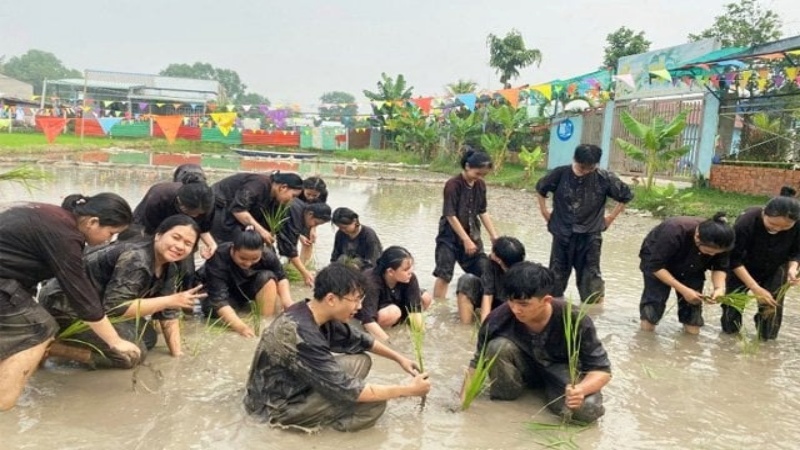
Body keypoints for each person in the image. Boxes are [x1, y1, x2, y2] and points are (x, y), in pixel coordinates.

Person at [243, 263, 431, 432]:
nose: (359, 307)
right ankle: (330, 433)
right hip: (274, 408)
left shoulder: (312, 311)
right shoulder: (302, 335)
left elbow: (362, 340)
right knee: (374, 405)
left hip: (291, 386)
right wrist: (408, 390)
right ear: (331, 299)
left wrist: (400, 358)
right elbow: (351, 390)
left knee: (361, 360)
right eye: (355, 300)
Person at [0, 193, 140, 410]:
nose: (109, 240)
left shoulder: (55, 217)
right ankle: (3, 404)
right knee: (41, 329)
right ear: (93, 222)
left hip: (8, 281)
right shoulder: (65, 236)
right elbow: (81, 296)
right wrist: (115, 342)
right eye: (111, 233)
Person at [40, 215, 206, 368]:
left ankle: (73, 341)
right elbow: (115, 307)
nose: (179, 246)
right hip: (64, 304)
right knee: (132, 356)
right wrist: (170, 300)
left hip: (97, 307)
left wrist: (177, 355)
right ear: (158, 235)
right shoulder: (137, 257)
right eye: (176, 238)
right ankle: (54, 348)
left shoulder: (170, 268)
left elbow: (168, 314)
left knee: (148, 336)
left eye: (187, 244)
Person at [462, 262, 610, 423]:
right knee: (497, 347)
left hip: (561, 370)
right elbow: (476, 365)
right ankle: (506, 399)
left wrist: (580, 390)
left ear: (546, 300)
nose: (515, 309)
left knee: (587, 410)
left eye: (524, 304)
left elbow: (601, 370)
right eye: (511, 302)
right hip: (523, 368)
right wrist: (462, 402)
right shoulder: (496, 319)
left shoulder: (575, 319)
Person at [535, 144, 633, 303]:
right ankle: (555, 311)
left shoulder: (604, 178)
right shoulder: (560, 174)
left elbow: (626, 195)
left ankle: (592, 314)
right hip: (562, 234)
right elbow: (540, 189)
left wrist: (610, 218)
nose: (586, 171)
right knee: (556, 278)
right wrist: (544, 211)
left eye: (590, 167)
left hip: (590, 236)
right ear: (575, 160)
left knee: (591, 279)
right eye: (582, 167)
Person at [639, 213, 735, 334]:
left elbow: (720, 266)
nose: (712, 255)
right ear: (697, 237)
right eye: (708, 251)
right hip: (658, 263)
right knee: (654, 303)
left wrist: (719, 288)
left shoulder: (723, 241)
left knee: (693, 307)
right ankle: (646, 339)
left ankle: (691, 345)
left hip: (694, 266)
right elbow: (656, 267)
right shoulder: (674, 231)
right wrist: (684, 290)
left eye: (716, 253)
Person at [722, 196, 800, 340]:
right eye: (772, 224)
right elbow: (733, 259)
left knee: (771, 308)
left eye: (785, 227)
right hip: (742, 267)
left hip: (775, 266)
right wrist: (755, 288)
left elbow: (796, 251)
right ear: (764, 212)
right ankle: (728, 340)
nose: (777, 229)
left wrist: (792, 268)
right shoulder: (746, 222)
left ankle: (766, 341)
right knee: (733, 306)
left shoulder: (797, 224)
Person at [198, 227, 293, 337]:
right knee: (210, 310)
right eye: (243, 258)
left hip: (248, 287)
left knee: (268, 277)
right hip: (226, 293)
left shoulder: (267, 255)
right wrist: (241, 327)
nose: (248, 263)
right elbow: (219, 300)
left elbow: (281, 277)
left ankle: (266, 321)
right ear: (233, 249)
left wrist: (287, 301)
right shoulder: (218, 257)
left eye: (254, 259)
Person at [130, 171, 217, 289]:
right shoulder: (159, 195)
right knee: (148, 266)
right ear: (179, 200)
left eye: (198, 214)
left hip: (183, 235)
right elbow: (144, 229)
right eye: (189, 213)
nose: (194, 216)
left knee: (187, 273)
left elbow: (202, 228)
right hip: (149, 231)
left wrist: (211, 244)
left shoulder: (207, 204)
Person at [432, 148, 499, 300]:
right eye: (477, 173)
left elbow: (482, 211)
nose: (479, 178)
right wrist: (466, 240)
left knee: (485, 270)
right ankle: (438, 307)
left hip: (472, 234)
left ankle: (480, 303)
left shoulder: (480, 185)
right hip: (448, 238)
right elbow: (450, 215)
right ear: (468, 166)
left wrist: (494, 236)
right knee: (444, 274)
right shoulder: (453, 185)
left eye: (483, 175)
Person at [356, 246, 433, 342]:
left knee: (426, 298)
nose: (410, 272)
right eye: (405, 270)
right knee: (393, 312)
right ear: (390, 272)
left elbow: (415, 310)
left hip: (396, 302)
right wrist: (389, 344)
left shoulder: (410, 278)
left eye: (411, 267)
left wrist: (422, 337)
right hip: (376, 311)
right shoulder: (371, 282)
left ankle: (402, 325)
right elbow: (367, 320)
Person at [210, 171, 303, 245]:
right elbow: (238, 210)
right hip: (218, 205)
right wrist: (262, 231)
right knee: (228, 244)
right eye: (293, 196)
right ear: (283, 187)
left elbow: (266, 225)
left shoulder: (275, 201)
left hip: (232, 212)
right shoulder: (259, 184)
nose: (292, 201)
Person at [456, 236, 526, 324]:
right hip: (495, 300)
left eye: (493, 251)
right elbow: (487, 295)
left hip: (509, 306)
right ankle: (465, 326)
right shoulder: (490, 264)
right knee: (466, 280)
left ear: (499, 259)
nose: (490, 253)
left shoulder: (524, 273)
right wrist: (484, 329)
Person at [276, 199, 332, 287]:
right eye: (316, 223)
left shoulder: (302, 209)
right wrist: (304, 273)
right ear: (310, 214)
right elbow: (289, 247)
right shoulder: (295, 213)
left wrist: (300, 235)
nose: (314, 226)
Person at [297, 176, 328, 262]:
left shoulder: (323, 194)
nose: (311, 197)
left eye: (315, 195)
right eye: (308, 194)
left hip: (309, 214)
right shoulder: (297, 191)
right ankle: (291, 264)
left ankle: (305, 264)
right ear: (303, 188)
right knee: (291, 239)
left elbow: (318, 212)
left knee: (309, 239)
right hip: (294, 212)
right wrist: (298, 235)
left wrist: (313, 228)